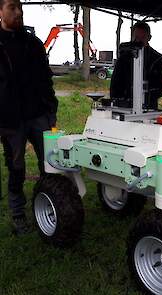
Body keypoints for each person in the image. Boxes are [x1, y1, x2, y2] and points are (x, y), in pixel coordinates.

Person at [0, 0, 58, 234]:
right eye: (12, 7)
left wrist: (51, 110)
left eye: (20, 8)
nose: (18, 12)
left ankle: (50, 207)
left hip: (38, 116)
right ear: (1, 12)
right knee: (16, 168)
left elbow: (46, 79)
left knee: (51, 164)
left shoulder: (34, 44)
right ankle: (18, 215)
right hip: (10, 121)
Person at [110, 21, 162, 110]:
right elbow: (115, 84)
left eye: (143, 37)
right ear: (132, 37)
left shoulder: (157, 59)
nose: (139, 41)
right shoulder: (124, 58)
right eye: (136, 37)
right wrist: (118, 100)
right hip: (125, 106)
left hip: (148, 107)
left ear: (149, 38)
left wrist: (146, 95)